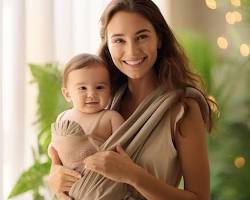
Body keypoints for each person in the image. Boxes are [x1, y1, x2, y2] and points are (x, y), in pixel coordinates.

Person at [48, 0, 215, 200]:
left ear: (159, 39)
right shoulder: (99, 97)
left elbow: (200, 197)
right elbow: (66, 159)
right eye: (119, 40)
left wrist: (133, 176)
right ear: (108, 45)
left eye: (142, 37)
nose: (132, 51)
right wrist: (55, 179)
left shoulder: (182, 108)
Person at [49, 53, 125, 199]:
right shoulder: (63, 117)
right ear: (67, 94)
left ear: (110, 90)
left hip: (98, 188)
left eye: (99, 87)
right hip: (67, 187)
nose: (91, 94)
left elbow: (125, 152)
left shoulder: (111, 118)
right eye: (82, 88)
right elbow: (55, 152)